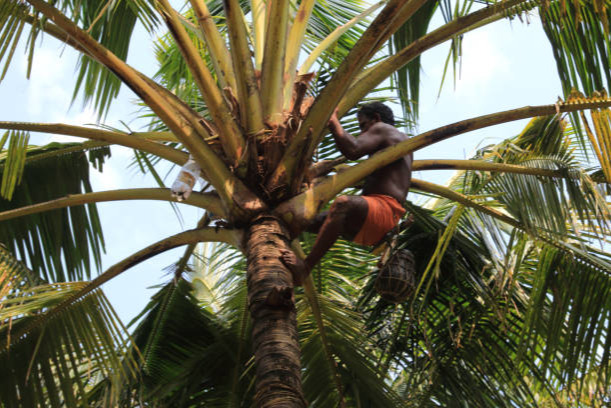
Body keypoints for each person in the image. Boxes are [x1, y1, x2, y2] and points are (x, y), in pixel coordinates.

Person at [281, 102, 413, 286]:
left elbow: (353, 150)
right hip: (369, 225)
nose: (362, 133)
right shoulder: (394, 142)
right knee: (300, 221)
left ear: (376, 118)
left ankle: (306, 266)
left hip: (384, 210)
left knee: (343, 203)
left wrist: (332, 118)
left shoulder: (384, 129)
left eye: (363, 125)